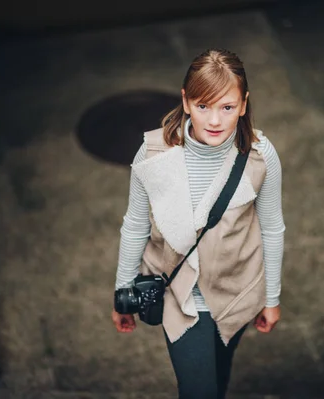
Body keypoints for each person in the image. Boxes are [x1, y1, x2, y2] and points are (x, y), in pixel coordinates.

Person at [111, 48, 285, 399]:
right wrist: (122, 292)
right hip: (180, 296)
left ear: (244, 103)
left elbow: (272, 227)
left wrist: (271, 297)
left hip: (235, 290)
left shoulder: (259, 155)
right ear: (186, 102)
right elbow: (134, 225)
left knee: (218, 377)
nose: (215, 121)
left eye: (227, 107)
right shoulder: (153, 154)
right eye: (203, 106)